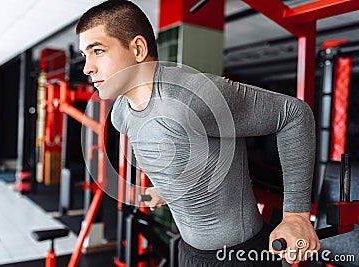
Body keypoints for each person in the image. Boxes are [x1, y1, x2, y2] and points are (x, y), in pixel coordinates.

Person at [76, 1, 320, 266]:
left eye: (97, 51)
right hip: (189, 253)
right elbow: (177, 147)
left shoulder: (193, 96)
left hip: (240, 256)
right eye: (84, 56)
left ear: (137, 49)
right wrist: (166, 190)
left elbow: (294, 114)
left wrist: (296, 215)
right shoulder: (121, 115)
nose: (87, 67)